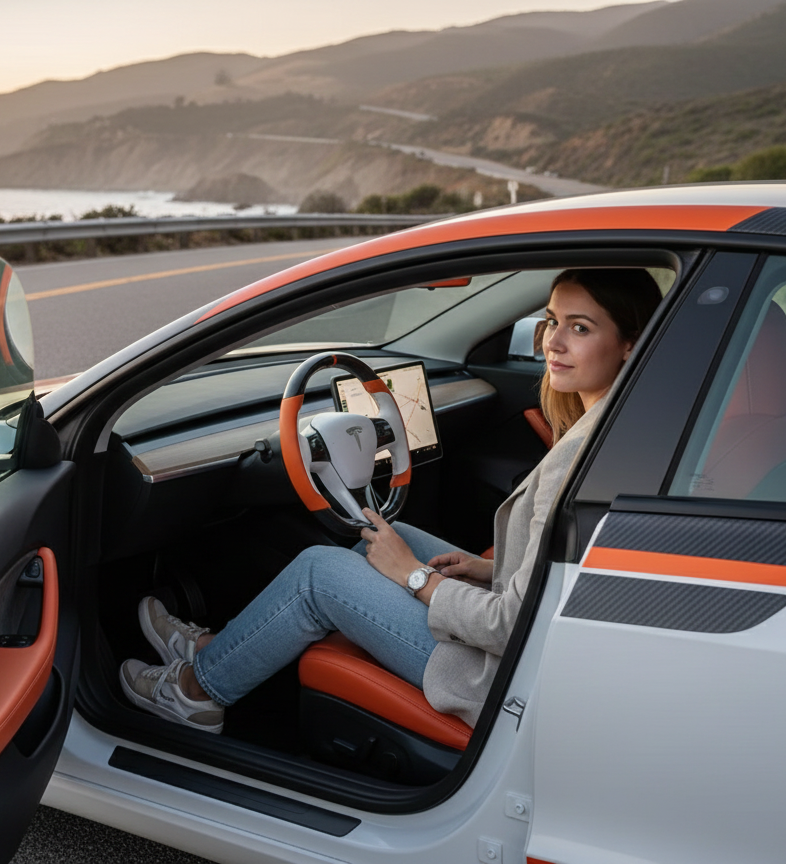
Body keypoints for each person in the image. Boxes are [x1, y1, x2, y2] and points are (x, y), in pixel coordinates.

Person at [121, 268, 663, 734]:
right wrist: (482, 568)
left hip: (497, 674)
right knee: (378, 541)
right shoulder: (621, 426)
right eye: (552, 320)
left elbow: (508, 626)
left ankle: (196, 692)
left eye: (581, 327)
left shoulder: (582, 453)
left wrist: (416, 578)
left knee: (318, 573)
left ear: (631, 344)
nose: (553, 341)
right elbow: (557, 576)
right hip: (537, 650)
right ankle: (218, 649)